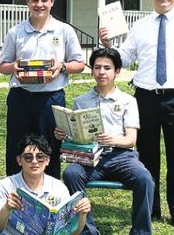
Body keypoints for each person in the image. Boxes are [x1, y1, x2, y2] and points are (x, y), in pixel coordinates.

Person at [99, 0, 174, 224]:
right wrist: (109, 43)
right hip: (145, 98)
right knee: (147, 156)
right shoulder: (141, 25)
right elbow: (126, 56)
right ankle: (151, 208)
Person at [55, 48, 154, 234]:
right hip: (89, 158)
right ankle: (88, 230)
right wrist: (64, 134)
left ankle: (141, 232)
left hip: (121, 156)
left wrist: (113, 140)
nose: (101, 72)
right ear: (91, 70)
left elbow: (131, 140)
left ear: (117, 71)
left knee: (145, 179)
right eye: (97, 67)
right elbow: (76, 136)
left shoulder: (128, 101)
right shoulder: (81, 101)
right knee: (71, 174)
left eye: (107, 68)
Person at [0, 0, 85, 179]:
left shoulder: (64, 30)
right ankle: (15, 194)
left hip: (51, 100)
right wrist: (13, 67)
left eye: (44, 0)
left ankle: (51, 195)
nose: (39, 4)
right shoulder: (16, 32)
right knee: (17, 148)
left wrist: (62, 66)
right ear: (28, 3)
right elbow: (3, 66)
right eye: (34, 0)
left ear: (52, 1)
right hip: (20, 98)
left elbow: (79, 64)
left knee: (49, 148)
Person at [0, 135, 90, 235]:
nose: (34, 161)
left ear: (47, 160)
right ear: (19, 160)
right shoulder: (6, 186)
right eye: (28, 157)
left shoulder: (59, 188)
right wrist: (6, 208)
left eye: (40, 157)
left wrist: (82, 215)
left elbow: (72, 233)